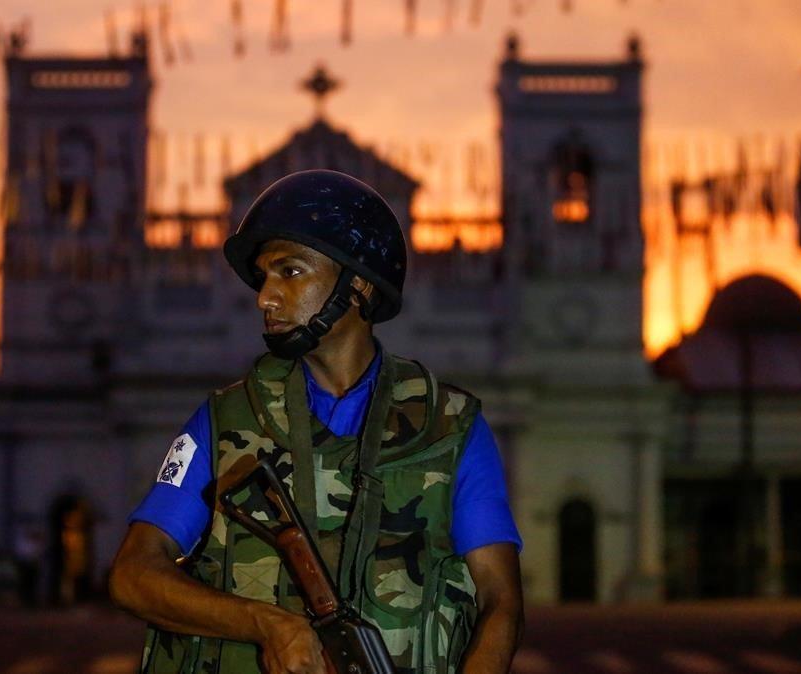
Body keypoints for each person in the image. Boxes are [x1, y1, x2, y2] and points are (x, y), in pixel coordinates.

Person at [109, 170, 523, 674]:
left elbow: (499, 600)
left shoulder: (451, 428)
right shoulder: (224, 422)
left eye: (291, 272)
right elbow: (133, 573)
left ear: (359, 286)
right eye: (263, 277)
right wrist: (266, 624)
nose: (266, 296)